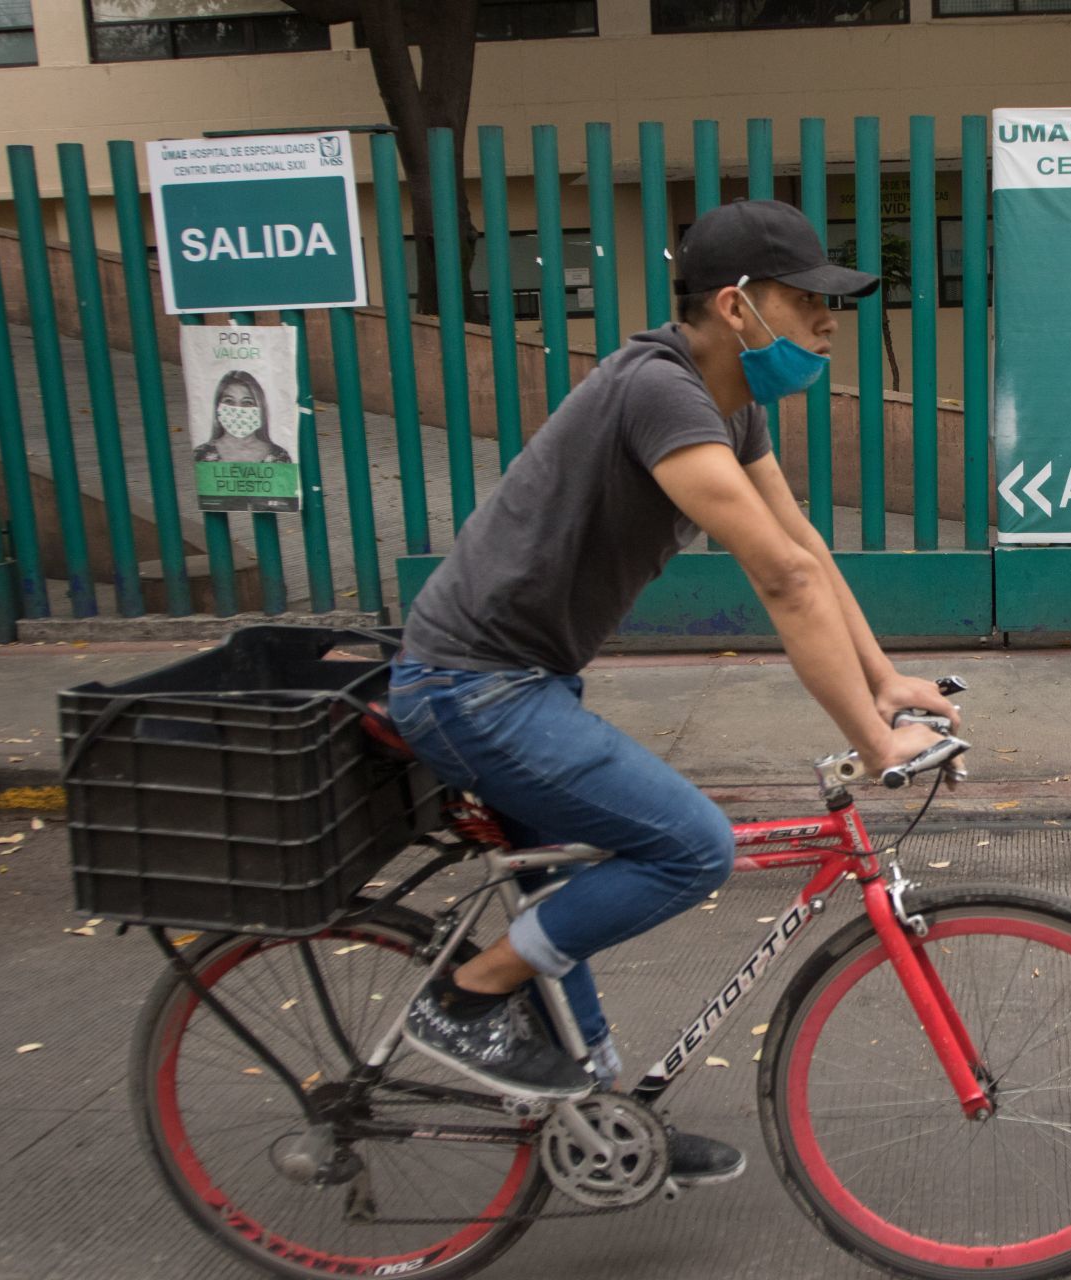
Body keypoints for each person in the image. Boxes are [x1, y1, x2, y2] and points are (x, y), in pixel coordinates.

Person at [388, 199, 958, 1186]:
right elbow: (777, 576)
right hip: (473, 685)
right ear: (739, 308)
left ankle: (598, 1126)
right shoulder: (662, 393)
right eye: (808, 300)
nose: (831, 322)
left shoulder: (728, 401)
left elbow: (806, 545)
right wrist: (873, 737)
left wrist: (887, 676)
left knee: (566, 905)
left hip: (520, 680)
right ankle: (464, 998)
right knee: (688, 846)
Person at [192, 370, 292, 464]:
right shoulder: (201, 455)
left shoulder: (280, 457)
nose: (238, 410)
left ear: (260, 409)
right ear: (218, 407)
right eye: (229, 401)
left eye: (247, 402)